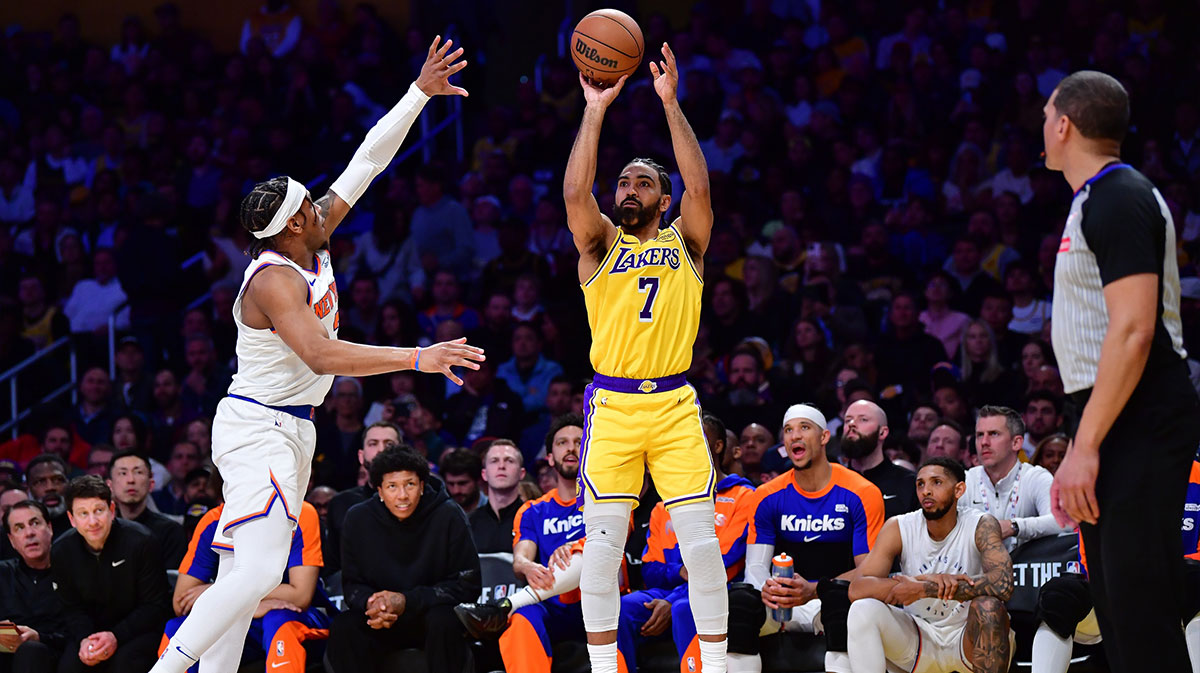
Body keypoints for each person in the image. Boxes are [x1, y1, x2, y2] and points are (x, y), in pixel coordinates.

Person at [150, 38, 484, 673]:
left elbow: (367, 163)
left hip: (289, 428)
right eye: (310, 203)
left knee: (248, 572)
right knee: (252, 578)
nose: (322, 201)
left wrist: (418, 93)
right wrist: (419, 357)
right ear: (295, 225)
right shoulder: (274, 279)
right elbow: (323, 355)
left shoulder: (311, 232)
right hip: (259, 427)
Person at [563, 42, 728, 673]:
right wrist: (595, 110)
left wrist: (668, 102)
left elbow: (702, 183)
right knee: (603, 547)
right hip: (613, 405)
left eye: (644, 183)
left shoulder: (687, 240)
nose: (629, 188)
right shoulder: (600, 242)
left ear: (664, 199)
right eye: (624, 181)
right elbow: (577, 190)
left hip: (676, 404)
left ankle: (715, 666)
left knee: (701, 544)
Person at [1046, 70, 1200, 673]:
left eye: (1045, 116)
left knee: (1140, 606)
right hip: (1109, 413)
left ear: (1064, 124)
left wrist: (1086, 446)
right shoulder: (1096, 197)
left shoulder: (1119, 194)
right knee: (1114, 604)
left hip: (1138, 413)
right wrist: (1081, 443)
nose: (1042, 127)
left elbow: (1134, 330)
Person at [729, 404, 885, 673]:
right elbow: (755, 566)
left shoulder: (861, 492)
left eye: (804, 428)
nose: (794, 436)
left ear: (824, 437)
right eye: (788, 430)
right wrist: (769, 591)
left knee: (840, 600)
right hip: (782, 605)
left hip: (831, 601)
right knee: (741, 600)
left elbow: (869, 572)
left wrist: (814, 589)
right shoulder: (766, 496)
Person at [846, 458, 1015, 673]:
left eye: (936, 482)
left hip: (966, 636)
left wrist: (927, 590)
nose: (926, 491)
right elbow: (857, 588)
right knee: (862, 609)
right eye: (920, 484)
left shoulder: (981, 524)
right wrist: (919, 584)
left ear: (959, 489)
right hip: (919, 635)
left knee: (989, 608)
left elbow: (1004, 585)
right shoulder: (899, 526)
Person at [620, 412, 757, 671]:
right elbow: (649, 570)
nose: (688, 445)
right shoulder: (663, 506)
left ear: (718, 446)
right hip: (671, 592)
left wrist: (673, 598)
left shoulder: (744, 496)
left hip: (723, 592)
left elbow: (723, 563)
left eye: (697, 438)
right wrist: (677, 575)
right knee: (622, 608)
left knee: (685, 607)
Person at [326, 446, 480, 673]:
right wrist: (373, 602)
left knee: (444, 620)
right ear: (379, 490)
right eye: (392, 486)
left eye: (410, 484)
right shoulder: (358, 518)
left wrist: (406, 601)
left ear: (422, 486)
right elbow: (352, 585)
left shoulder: (448, 514)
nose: (402, 495)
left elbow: (468, 584)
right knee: (345, 625)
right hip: (383, 619)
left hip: (431, 616)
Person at [162, 500, 329, 673]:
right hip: (241, 614)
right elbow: (182, 602)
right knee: (177, 627)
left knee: (279, 623)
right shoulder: (214, 519)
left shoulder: (300, 512)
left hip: (296, 615)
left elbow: (300, 596)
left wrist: (215, 592)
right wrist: (250, 606)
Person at [53, 476, 171, 673]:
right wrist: (85, 639)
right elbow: (71, 608)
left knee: (125, 663)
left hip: (139, 631)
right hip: (91, 632)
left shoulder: (142, 542)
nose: (93, 522)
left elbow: (155, 605)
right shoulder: (61, 551)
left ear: (112, 510)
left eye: (99, 511)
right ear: (72, 519)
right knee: (69, 667)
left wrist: (115, 636)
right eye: (83, 514)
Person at [962, 406, 1065, 552]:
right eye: (979, 435)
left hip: (1027, 571)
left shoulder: (1035, 477)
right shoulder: (965, 480)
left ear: (1016, 443)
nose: (984, 442)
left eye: (994, 434)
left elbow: (1061, 522)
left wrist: (1014, 527)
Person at [324, 421, 401, 575]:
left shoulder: (420, 500)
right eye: (373, 444)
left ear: (403, 453)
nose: (381, 450)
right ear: (361, 456)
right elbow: (331, 569)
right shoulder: (341, 504)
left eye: (389, 444)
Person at [0, 500, 68, 673]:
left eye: (35, 523)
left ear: (50, 528)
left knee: (31, 650)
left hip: (54, 656)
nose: (29, 533)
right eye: (19, 528)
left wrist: (40, 638)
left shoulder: (73, 573)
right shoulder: (3, 573)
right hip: (5, 657)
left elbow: (81, 631)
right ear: (11, 540)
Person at [106, 450, 186, 569]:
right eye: (123, 473)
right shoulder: (102, 532)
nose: (131, 480)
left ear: (151, 484)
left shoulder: (170, 531)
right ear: (110, 486)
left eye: (138, 472)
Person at [841, 400, 919, 520]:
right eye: (847, 420)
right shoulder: (833, 483)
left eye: (863, 419)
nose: (852, 424)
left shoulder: (909, 484)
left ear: (882, 432)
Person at [468, 439, 527, 554]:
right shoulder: (468, 523)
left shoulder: (536, 519)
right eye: (494, 461)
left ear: (522, 473)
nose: (501, 466)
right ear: (484, 474)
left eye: (509, 461)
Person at [22, 456, 70, 539]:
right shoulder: (12, 532)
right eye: (40, 482)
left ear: (68, 483)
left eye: (58, 480)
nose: (50, 487)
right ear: (27, 488)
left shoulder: (84, 525)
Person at [440, 448, 485, 514]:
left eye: (462, 483)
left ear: (478, 480)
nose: (456, 491)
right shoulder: (440, 512)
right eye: (451, 484)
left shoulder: (494, 510)